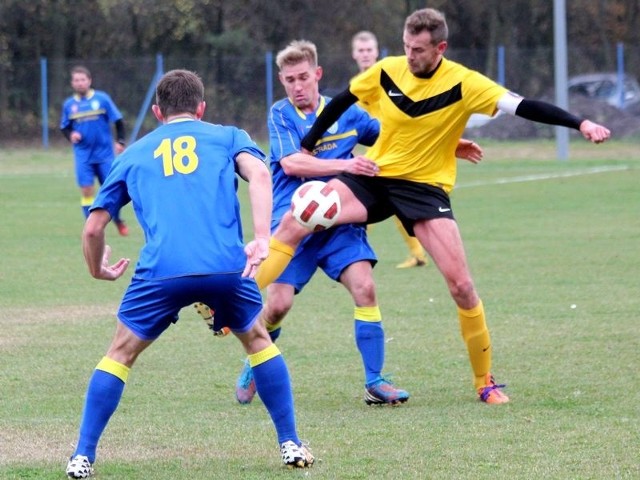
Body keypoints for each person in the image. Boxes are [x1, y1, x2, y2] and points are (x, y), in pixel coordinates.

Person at [252, 8, 611, 405]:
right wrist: (309, 141)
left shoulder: (465, 83)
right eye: (406, 46)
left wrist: (580, 124)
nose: (410, 56)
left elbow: (524, 106)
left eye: (419, 50)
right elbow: (342, 102)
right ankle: (234, 295)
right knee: (299, 214)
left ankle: (484, 381)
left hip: (424, 190)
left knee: (462, 286)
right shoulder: (387, 70)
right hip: (376, 177)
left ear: (439, 48)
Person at [65, 69, 314, 479]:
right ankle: (290, 444)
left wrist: (98, 270)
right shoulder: (229, 136)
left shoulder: (133, 153)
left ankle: (82, 457)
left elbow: (93, 227)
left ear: (158, 112)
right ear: (201, 108)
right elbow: (262, 175)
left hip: (161, 272)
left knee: (120, 353)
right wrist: (262, 239)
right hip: (226, 267)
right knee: (257, 340)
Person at [231, 39, 409, 407]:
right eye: (290, 80)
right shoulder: (280, 114)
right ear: (282, 82)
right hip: (293, 224)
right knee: (277, 305)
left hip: (339, 223)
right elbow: (294, 164)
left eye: (303, 78)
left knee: (365, 288)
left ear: (318, 75)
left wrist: (446, 142)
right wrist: (346, 165)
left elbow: (391, 142)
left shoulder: (350, 113)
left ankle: (375, 381)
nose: (297, 87)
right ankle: (254, 362)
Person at [352, 30, 429, 269]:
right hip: (375, 153)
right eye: (361, 50)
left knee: (363, 204)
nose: (365, 54)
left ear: (376, 52)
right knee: (373, 203)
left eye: (369, 50)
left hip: (396, 151)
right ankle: (417, 253)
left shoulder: (390, 80)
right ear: (354, 54)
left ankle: (352, 253)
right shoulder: (355, 88)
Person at [60, 66, 129, 236]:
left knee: (112, 190)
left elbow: (118, 120)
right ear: (72, 83)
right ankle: (90, 227)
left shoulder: (102, 99)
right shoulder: (69, 105)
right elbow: (64, 127)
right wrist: (71, 135)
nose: (80, 83)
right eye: (76, 80)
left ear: (89, 81)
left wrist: (120, 141)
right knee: (86, 190)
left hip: (105, 155)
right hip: (83, 155)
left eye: (83, 80)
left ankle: (118, 220)